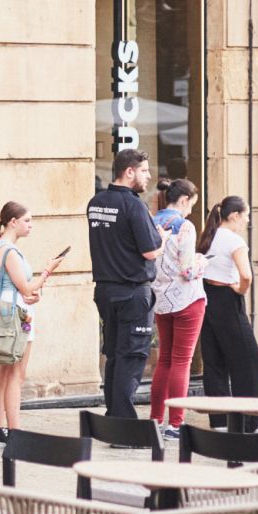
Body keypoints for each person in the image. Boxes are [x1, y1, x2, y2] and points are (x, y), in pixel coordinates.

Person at [87, 149, 163, 418]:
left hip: (106, 290)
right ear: (129, 172)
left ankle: (113, 417)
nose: (149, 175)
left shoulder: (96, 202)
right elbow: (150, 251)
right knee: (131, 357)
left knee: (115, 355)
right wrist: (161, 235)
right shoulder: (133, 205)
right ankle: (123, 423)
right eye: (144, 170)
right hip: (132, 291)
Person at [0, 201, 62, 434]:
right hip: (16, 313)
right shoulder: (9, 251)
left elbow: (23, 288)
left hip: (10, 308)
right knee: (16, 373)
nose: (31, 225)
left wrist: (32, 292)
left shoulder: (2, 247)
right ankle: (14, 430)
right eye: (27, 220)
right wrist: (48, 270)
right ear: (13, 222)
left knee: (5, 372)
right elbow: (26, 287)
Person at [195, 195, 258, 430]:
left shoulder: (208, 234)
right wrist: (241, 289)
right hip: (228, 299)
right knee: (250, 360)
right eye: (246, 216)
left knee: (215, 360)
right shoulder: (233, 240)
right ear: (235, 215)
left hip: (206, 298)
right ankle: (253, 419)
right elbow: (246, 275)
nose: (246, 222)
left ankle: (219, 419)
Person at [149, 179, 205, 437]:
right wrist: (202, 262)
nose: (190, 211)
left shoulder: (151, 221)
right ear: (183, 200)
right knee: (182, 361)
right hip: (186, 299)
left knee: (165, 360)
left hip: (161, 299)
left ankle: (155, 419)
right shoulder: (185, 226)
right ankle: (175, 423)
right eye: (191, 205)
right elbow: (188, 269)